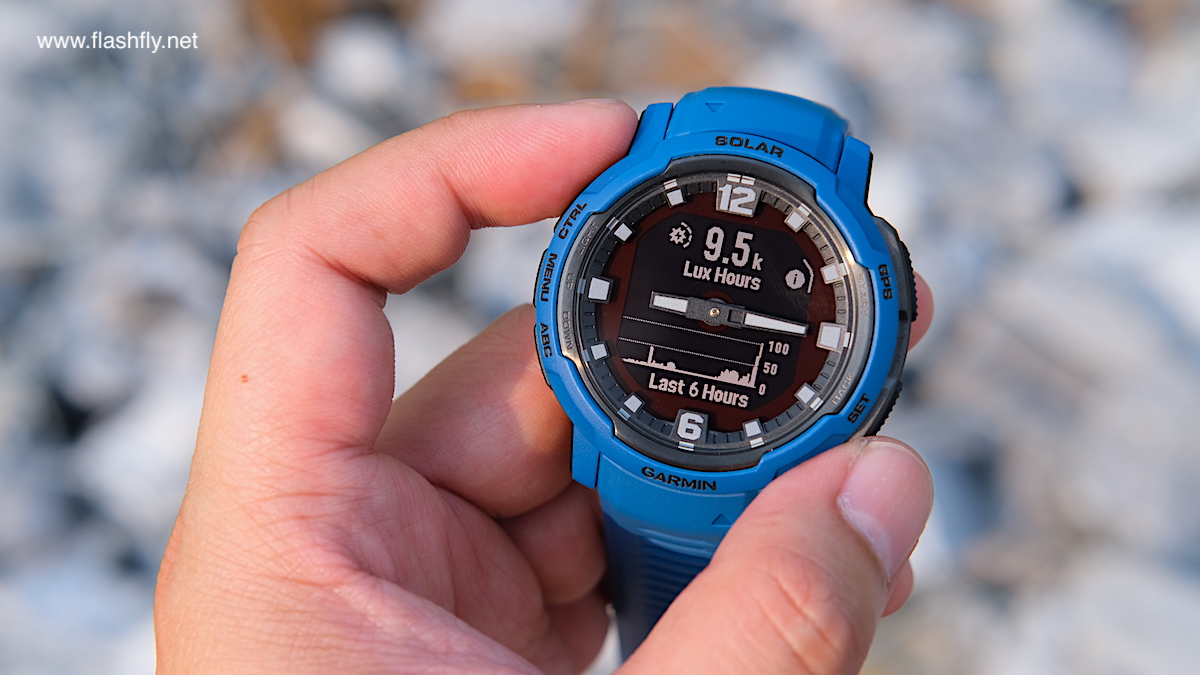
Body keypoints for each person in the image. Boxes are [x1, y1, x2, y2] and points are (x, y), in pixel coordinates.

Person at [153, 99, 935, 674]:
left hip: (687, 456)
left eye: (724, 310)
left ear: (884, 301)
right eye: (700, 302)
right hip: (642, 458)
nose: (715, 309)